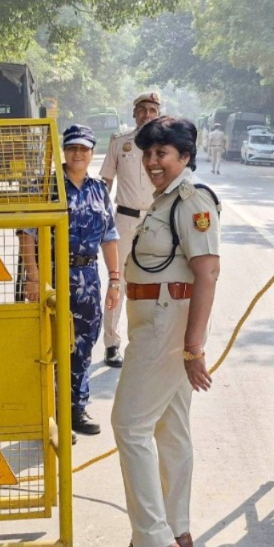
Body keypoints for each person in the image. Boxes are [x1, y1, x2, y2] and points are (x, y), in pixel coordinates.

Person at [110, 116, 221, 547]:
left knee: (129, 424)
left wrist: (193, 349)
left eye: (163, 154)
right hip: (154, 319)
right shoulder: (164, 201)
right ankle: (177, 528)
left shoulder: (192, 202)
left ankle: (153, 540)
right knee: (170, 428)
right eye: (148, 153)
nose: (153, 162)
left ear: (185, 157)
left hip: (165, 324)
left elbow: (208, 273)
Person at [18, 124, 121, 437]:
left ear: (92, 152)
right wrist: (33, 279)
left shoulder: (98, 188)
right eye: (73, 148)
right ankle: (49, 415)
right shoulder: (47, 186)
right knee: (50, 345)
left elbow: (110, 235)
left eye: (84, 149)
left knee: (84, 343)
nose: (78, 153)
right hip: (51, 276)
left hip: (87, 278)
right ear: (64, 150)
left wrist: (115, 279)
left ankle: (76, 408)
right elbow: (28, 234)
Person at [99, 91, 161, 369]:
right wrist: (98, 216)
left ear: (158, 114)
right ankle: (112, 344)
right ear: (133, 113)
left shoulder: (167, 145)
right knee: (118, 282)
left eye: (152, 110)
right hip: (124, 220)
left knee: (158, 283)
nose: (147, 115)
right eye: (142, 110)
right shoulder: (119, 143)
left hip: (158, 221)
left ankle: (154, 343)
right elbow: (104, 183)